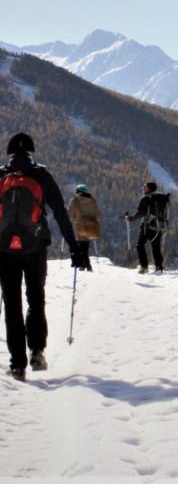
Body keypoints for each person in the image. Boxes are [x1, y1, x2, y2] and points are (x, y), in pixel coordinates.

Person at [0, 132, 80, 381]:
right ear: (32, 152)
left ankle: (17, 364)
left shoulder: (2, 175)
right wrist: (74, 246)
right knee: (36, 298)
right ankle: (36, 352)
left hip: (4, 250)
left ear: (10, 152)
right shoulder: (42, 176)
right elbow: (60, 213)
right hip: (35, 248)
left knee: (12, 304)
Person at [124, 181, 168, 274]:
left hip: (146, 226)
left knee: (140, 245)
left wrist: (130, 218)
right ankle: (159, 267)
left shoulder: (146, 198)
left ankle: (144, 267)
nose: (143, 188)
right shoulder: (161, 198)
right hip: (158, 226)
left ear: (149, 188)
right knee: (156, 247)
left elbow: (140, 213)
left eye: (145, 187)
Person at [68, 184, 101, 272]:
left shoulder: (75, 200)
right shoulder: (93, 200)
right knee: (85, 245)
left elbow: (70, 214)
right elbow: (97, 214)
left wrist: (73, 219)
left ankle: (84, 264)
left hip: (79, 226)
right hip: (91, 226)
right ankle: (85, 264)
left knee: (80, 244)